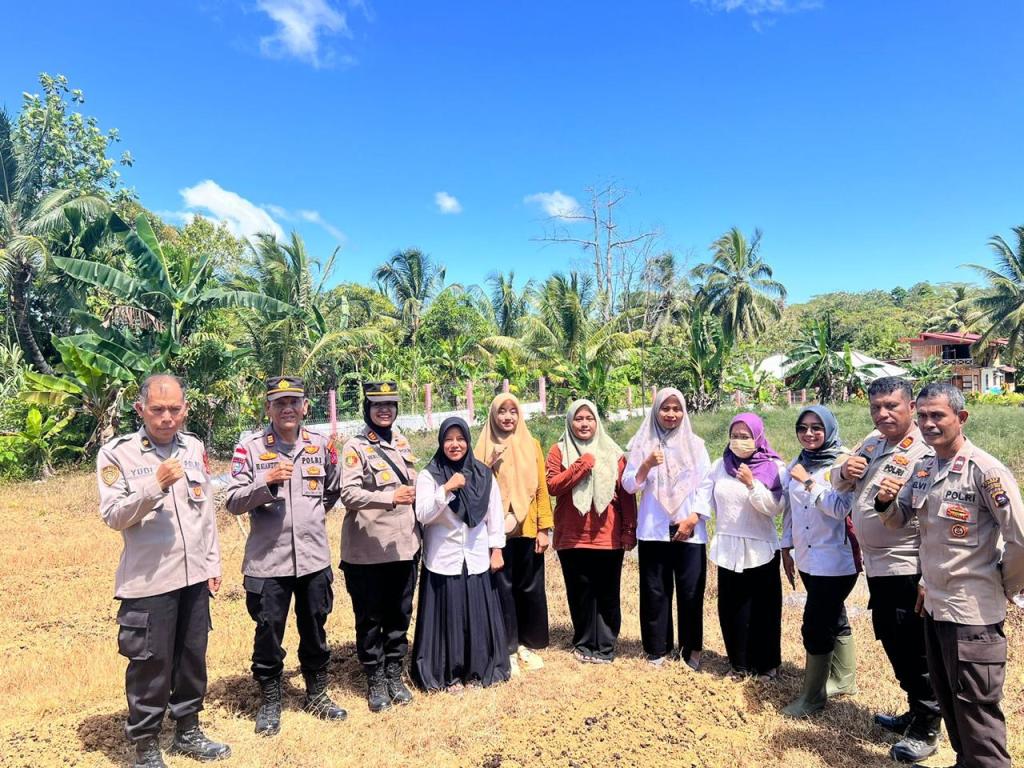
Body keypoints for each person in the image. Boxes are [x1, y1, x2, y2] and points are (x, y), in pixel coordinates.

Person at [877, 383, 1024, 768]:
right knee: (953, 708)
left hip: (972, 614)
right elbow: (899, 521)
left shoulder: (986, 472)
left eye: (937, 415)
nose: (927, 423)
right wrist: (884, 501)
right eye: (922, 415)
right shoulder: (925, 467)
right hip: (936, 608)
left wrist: (1002, 584)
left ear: (961, 418)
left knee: (978, 717)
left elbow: (1020, 542)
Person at [97, 374, 230, 768]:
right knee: (150, 666)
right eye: (157, 410)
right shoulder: (117, 454)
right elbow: (113, 516)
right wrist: (153, 486)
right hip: (149, 581)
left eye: (174, 409)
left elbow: (204, 512)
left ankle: (188, 730)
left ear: (185, 409)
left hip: (193, 577)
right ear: (141, 410)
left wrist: (213, 562)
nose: (167, 418)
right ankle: (146, 746)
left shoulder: (193, 448)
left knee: (192, 657)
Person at [225, 376, 346, 736]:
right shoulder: (249, 448)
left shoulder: (322, 446)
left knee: (316, 627)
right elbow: (231, 500)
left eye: (294, 401)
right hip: (268, 562)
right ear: (268, 408)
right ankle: (271, 699)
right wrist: (267, 485)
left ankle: (317, 693)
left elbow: (332, 491)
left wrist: (307, 521)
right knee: (267, 633)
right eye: (279, 403)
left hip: (312, 559)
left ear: (306, 406)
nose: (288, 408)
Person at [830, 377, 940, 761]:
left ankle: (928, 726)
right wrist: (845, 470)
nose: (882, 413)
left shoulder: (926, 451)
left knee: (916, 648)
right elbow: (837, 483)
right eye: (876, 406)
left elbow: (932, 519)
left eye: (891, 405)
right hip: (878, 567)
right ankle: (914, 711)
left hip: (908, 564)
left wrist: (929, 575)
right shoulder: (872, 442)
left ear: (911, 406)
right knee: (894, 641)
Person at [411, 417, 511, 690]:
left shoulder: (482, 474)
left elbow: (495, 515)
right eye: (448, 439)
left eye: (460, 439)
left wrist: (497, 549)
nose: (455, 445)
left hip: (476, 558)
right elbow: (422, 514)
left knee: (476, 618)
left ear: (468, 441)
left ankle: (476, 672)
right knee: (449, 621)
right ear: (441, 442)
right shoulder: (429, 475)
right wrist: (446, 489)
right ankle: (449, 675)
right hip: (444, 560)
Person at [339, 382, 420, 712]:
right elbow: (349, 494)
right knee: (370, 617)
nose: (384, 410)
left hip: (403, 546)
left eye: (390, 404)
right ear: (366, 409)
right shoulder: (355, 447)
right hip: (367, 551)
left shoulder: (402, 442)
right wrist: (389, 497)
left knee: (400, 613)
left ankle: (393, 673)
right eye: (377, 405)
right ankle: (374, 678)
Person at [691, 412, 784, 679]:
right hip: (728, 546)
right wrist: (692, 519)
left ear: (757, 437)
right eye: (735, 436)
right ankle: (739, 664)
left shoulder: (774, 467)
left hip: (760, 547)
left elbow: (774, 508)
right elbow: (704, 496)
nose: (739, 441)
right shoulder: (721, 464)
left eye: (745, 436)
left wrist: (752, 484)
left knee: (764, 610)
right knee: (732, 609)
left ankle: (767, 664)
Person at [781, 405, 859, 717]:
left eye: (816, 427)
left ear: (829, 428)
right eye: (803, 428)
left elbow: (840, 508)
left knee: (814, 624)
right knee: (833, 614)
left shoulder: (845, 462)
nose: (809, 433)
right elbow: (790, 507)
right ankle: (843, 679)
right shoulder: (799, 460)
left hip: (836, 558)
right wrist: (785, 546)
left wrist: (809, 483)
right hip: (807, 556)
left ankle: (812, 697)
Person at [623, 388, 708, 670]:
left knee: (690, 592)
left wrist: (693, 518)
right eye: (665, 408)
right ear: (655, 411)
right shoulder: (641, 442)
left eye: (677, 408)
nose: (671, 414)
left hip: (689, 528)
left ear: (684, 412)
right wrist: (646, 465)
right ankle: (656, 648)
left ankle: (691, 649)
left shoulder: (696, 445)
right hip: (654, 530)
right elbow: (629, 485)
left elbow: (707, 485)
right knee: (654, 591)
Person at [548, 399, 637, 663]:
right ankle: (585, 643)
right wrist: (580, 465)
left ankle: (606, 646)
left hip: (607, 535)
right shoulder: (558, 451)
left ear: (597, 421)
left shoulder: (613, 452)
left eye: (589, 418)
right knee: (580, 592)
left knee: (607, 592)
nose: (584, 423)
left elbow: (626, 496)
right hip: (572, 536)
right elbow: (553, 485)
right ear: (570, 421)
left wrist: (628, 530)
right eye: (579, 418)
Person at [475, 393, 553, 675]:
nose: (507, 417)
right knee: (501, 589)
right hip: (496, 533)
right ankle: (505, 647)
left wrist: (544, 528)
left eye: (513, 411)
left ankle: (525, 644)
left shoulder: (531, 445)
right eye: (501, 412)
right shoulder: (483, 446)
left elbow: (541, 488)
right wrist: (487, 465)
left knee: (529, 587)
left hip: (528, 527)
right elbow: (474, 489)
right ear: (493, 416)